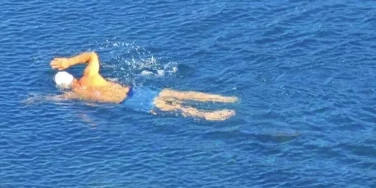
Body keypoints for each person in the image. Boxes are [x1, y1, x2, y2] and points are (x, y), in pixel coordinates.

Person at [49, 51, 237, 121]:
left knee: (175, 108)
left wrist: (32, 99)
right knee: (180, 94)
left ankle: (208, 115)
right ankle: (223, 98)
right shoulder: (90, 75)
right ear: (71, 75)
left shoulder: (75, 95)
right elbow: (92, 55)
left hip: (129, 103)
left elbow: (53, 100)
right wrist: (69, 61)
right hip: (133, 90)